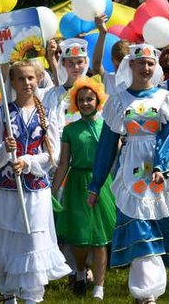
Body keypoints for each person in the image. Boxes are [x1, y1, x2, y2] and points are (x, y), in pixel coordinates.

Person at [0, 59, 70, 303]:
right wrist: (4, 150)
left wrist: (28, 161)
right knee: (4, 237)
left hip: (35, 188)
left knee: (32, 238)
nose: (27, 83)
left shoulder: (47, 113)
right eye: (21, 78)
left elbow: (54, 155)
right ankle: (7, 292)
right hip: (5, 189)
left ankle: (31, 295)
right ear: (13, 83)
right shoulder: (2, 112)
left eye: (31, 78)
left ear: (38, 79)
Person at [87, 43, 169, 304]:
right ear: (129, 65)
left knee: (156, 226)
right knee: (138, 228)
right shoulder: (119, 100)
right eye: (140, 63)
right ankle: (146, 293)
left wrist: (160, 166)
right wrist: (96, 184)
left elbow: (167, 138)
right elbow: (107, 145)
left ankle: (148, 291)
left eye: (150, 63)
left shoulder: (165, 99)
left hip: (157, 170)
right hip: (131, 169)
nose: (145, 68)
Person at [51, 77, 116, 301]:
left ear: (98, 100)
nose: (86, 103)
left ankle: (99, 288)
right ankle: (79, 271)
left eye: (90, 99)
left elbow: (115, 155)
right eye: (81, 100)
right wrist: (52, 192)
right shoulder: (70, 130)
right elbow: (63, 163)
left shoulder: (109, 127)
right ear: (75, 103)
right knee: (79, 238)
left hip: (102, 182)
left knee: (99, 238)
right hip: (77, 183)